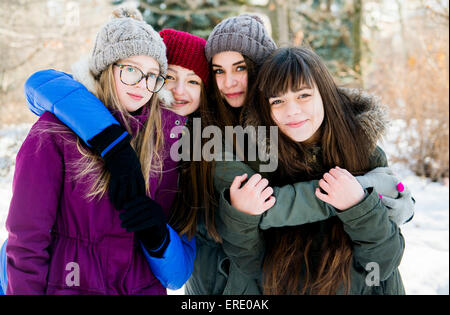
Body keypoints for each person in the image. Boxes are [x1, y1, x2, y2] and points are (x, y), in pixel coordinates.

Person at [16, 14, 414, 295]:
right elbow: (46, 84)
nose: (181, 91)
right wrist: (112, 144)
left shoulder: (303, 122)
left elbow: (391, 220)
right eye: (168, 78)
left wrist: (367, 196)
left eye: (196, 80)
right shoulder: (189, 135)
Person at [2, 7, 197, 294]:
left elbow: (177, 276)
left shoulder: (168, 143)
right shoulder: (55, 135)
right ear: (106, 68)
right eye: (130, 70)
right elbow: (27, 239)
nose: (142, 85)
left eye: (153, 75)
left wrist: (159, 239)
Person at [215, 46, 408, 294]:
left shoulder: (363, 151)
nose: (292, 111)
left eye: (303, 95)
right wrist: (242, 218)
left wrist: (359, 207)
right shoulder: (257, 162)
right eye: (278, 101)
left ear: (324, 94)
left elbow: (383, 264)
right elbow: (248, 264)